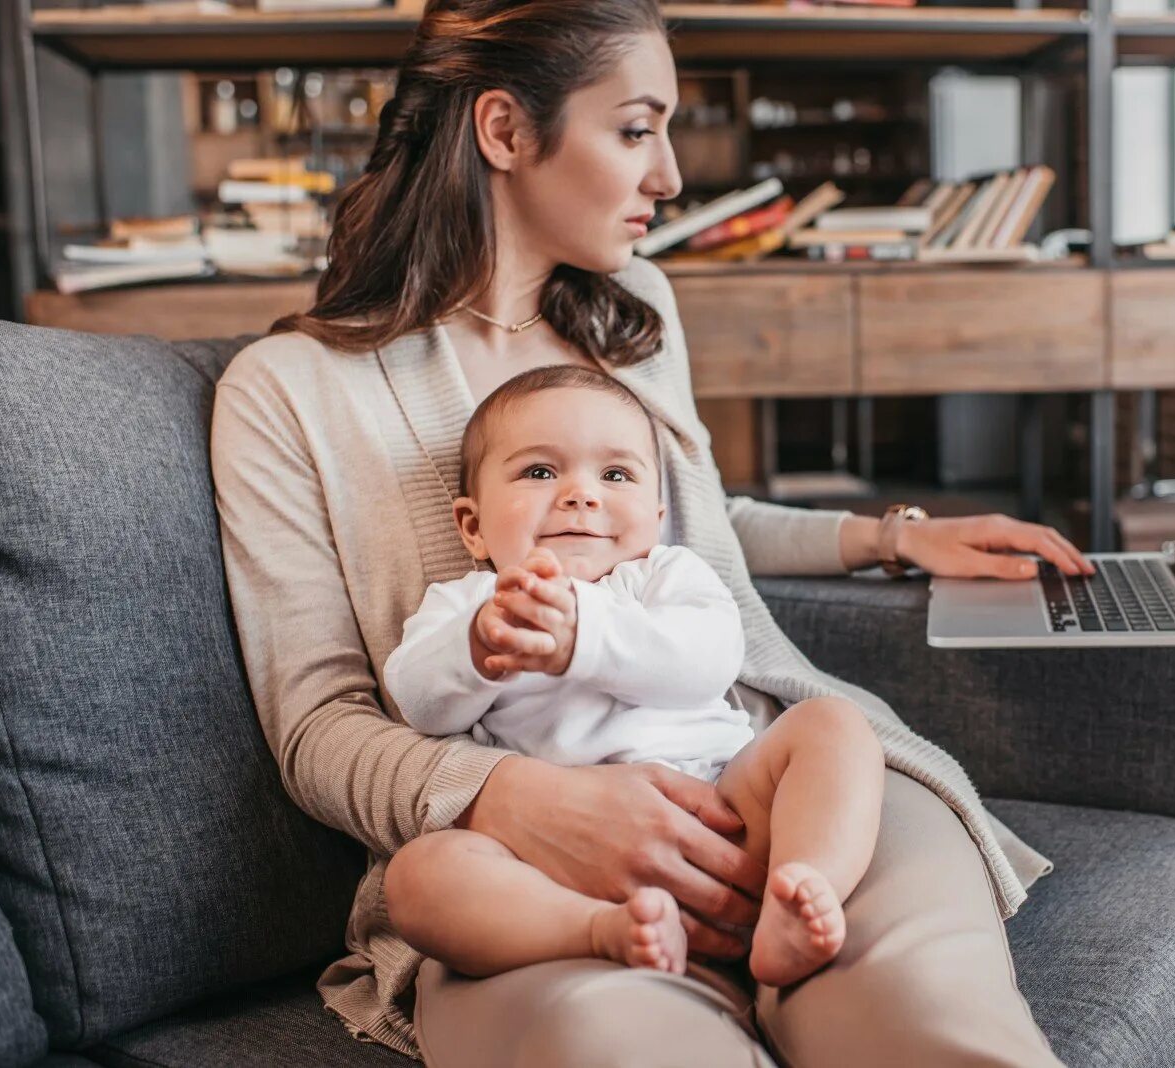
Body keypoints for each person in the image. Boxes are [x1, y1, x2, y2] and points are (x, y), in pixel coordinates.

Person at [210, 1, 1093, 1063]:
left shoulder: (634, 314)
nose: (670, 176)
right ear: (503, 131)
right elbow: (317, 729)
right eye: (635, 129)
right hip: (518, 865)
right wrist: (516, 799)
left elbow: (694, 533)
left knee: (930, 1024)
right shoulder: (289, 394)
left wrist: (890, 539)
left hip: (758, 771)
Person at [383, 365, 886, 987]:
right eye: (539, 472)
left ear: (655, 516)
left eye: (614, 474)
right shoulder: (471, 604)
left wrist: (584, 638)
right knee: (418, 876)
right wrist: (477, 647)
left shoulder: (665, 576)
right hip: (556, 860)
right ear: (473, 526)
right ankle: (598, 932)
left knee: (832, 723)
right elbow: (418, 704)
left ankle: (803, 887)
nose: (580, 494)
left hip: (726, 810)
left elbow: (706, 663)